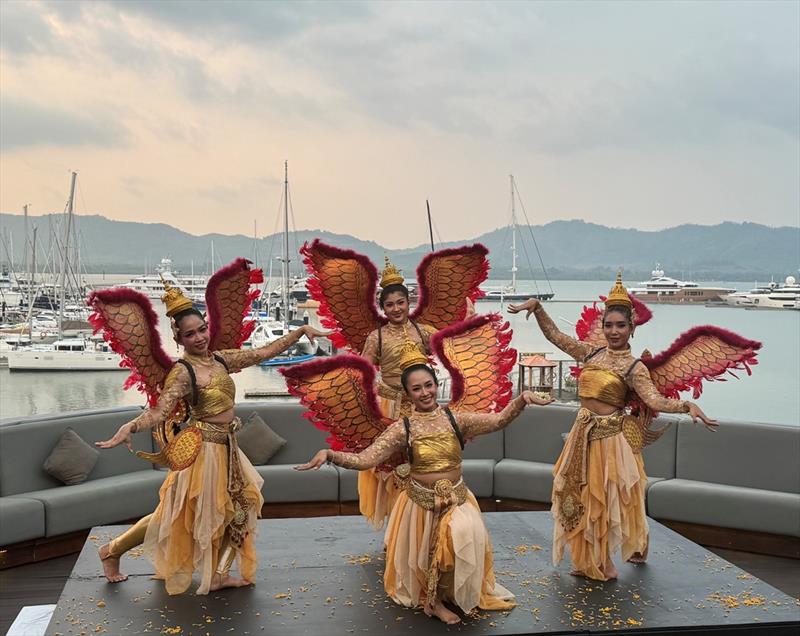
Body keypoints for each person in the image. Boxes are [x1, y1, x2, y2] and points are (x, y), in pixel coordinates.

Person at [96, 283, 329, 594]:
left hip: (228, 446)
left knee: (241, 508)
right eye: (190, 334)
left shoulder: (221, 360)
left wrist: (299, 333)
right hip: (202, 451)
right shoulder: (182, 373)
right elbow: (159, 411)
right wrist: (132, 426)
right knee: (173, 516)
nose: (199, 338)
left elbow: (263, 352)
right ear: (178, 339)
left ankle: (218, 575)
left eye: (201, 329)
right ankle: (112, 550)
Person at [296, 360, 552, 624]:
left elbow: (499, 420)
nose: (425, 392)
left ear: (437, 384)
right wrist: (330, 455)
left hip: (456, 497)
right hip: (421, 503)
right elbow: (366, 459)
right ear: (408, 395)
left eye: (428, 385)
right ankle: (433, 602)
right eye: (417, 389)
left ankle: (449, 592)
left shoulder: (456, 418)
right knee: (430, 555)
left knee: (463, 536)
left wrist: (522, 399)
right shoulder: (402, 428)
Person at [508, 274, 717, 581]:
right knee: (577, 495)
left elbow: (653, 399)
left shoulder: (635, 367)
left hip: (611, 441)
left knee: (603, 500)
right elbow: (555, 337)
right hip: (582, 434)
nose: (614, 331)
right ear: (602, 327)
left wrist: (686, 406)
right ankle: (586, 558)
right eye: (609, 325)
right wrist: (537, 308)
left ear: (632, 328)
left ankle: (604, 561)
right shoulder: (590, 353)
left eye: (620, 325)